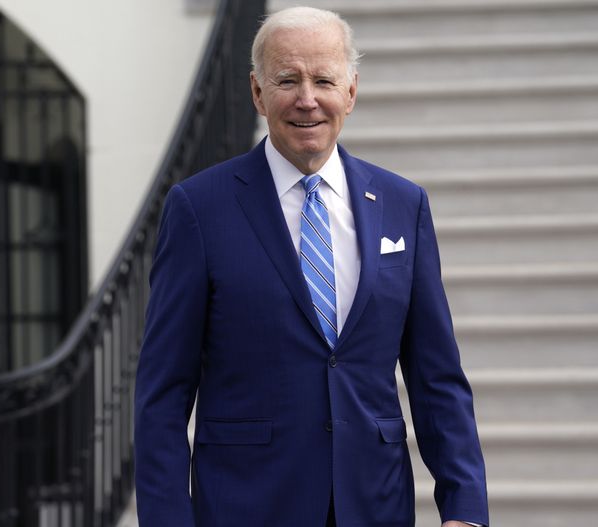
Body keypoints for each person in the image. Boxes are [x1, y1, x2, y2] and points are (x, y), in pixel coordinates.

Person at [134, 6, 488, 526]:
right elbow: (161, 395)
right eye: (287, 80)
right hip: (246, 507)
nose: (307, 99)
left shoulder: (401, 204)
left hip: (375, 505)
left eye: (324, 79)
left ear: (351, 91)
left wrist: (465, 506)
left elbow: (437, 378)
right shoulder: (199, 209)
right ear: (257, 92)